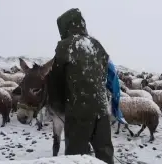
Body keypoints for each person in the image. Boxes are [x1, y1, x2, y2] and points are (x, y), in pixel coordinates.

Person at [48, 8, 114, 164]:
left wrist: (58, 107)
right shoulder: (97, 45)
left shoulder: (65, 46)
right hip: (102, 108)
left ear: (66, 26)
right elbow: (103, 73)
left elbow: (56, 80)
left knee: (76, 155)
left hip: (79, 110)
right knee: (104, 151)